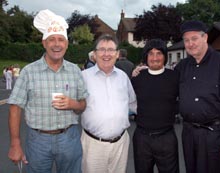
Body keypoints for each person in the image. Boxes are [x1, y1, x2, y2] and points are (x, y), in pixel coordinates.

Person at [7, 9, 88, 173]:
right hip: (38, 141)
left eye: (61, 40)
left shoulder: (75, 71)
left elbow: (83, 104)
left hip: (69, 138)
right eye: (52, 40)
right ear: (44, 43)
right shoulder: (29, 72)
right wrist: (15, 144)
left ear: (66, 43)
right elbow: (15, 107)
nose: (56, 44)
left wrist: (73, 104)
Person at [175, 20, 220, 173]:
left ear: (205, 38)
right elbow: (166, 85)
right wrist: (146, 71)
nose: (190, 44)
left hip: (214, 136)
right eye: (186, 40)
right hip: (189, 134)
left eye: (194, 38)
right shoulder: (182, 66)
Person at [81, 34, 137, 173]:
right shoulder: (83, 77)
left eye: (111, 50)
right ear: (94, 54)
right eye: (102, 49)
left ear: (117, 54)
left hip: (120, 144)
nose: (106, 54)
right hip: (93, 145)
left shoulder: (123, 77)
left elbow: (132, 103)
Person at [131, 39, 179, 173]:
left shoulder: (175, 77)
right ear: (146, 57)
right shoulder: (137, 77)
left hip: (166, 137)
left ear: (165, 56)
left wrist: (171, 110)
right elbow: (129, 101)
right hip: (142, 138)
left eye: (159, 53)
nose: (155, 58)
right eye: (151, 54)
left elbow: (186, 99)